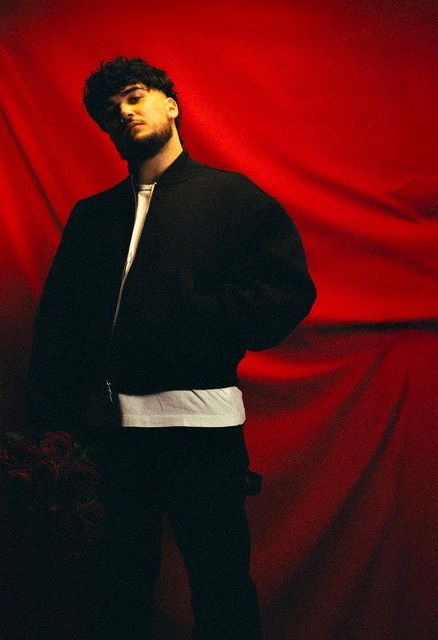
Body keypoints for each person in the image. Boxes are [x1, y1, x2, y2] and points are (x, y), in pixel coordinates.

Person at [27, 57, 316, 640]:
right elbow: (58, 324)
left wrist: (195, 316)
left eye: (134, 97)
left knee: (221, 586)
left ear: (172, 104)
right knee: (118, 591)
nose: (124, 112)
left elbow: (287, 292)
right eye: (111, 111)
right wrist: (53, 423)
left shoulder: (232, 198)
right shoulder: (92, 217)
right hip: (113, 436)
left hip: (202, 433)